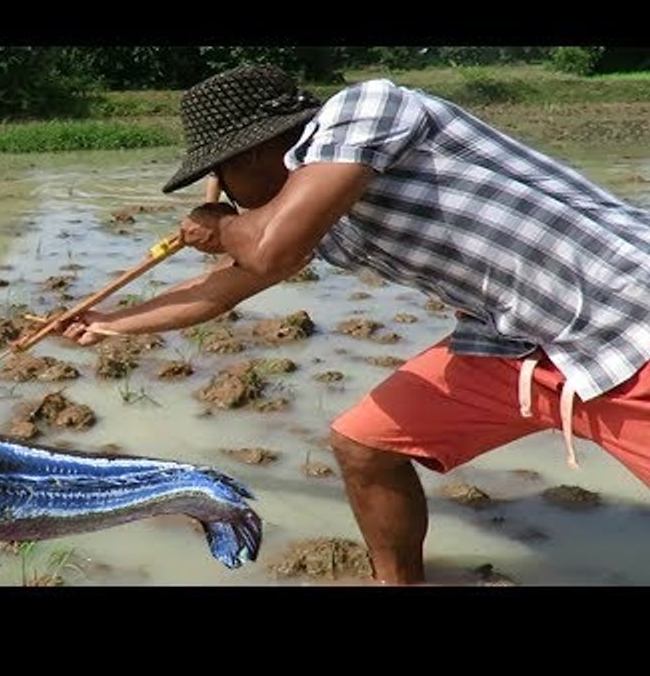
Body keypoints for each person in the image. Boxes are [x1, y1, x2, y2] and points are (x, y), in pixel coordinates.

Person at [59, 63, 650, 584]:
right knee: (364, 446)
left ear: (253, 154)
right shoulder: (323, 224)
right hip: (514, 344)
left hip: (626, 322)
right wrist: (110, 322)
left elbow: (262, 249)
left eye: (221, 175)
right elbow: (222, 289)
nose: (226, 195)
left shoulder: (366, 109)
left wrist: (218, 226)